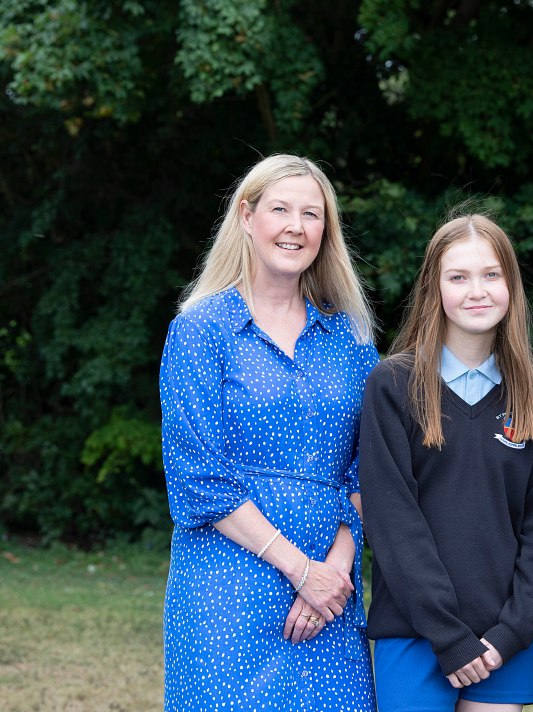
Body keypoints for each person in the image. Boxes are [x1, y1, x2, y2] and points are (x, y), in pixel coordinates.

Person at [159, 154, 379, 711]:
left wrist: (333, 569)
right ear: (246, 216)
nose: (295, 227)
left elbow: (370, 469)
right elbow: (197, 480)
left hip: (330, 595)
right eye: (280, 209)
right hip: (225, 588)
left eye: (312, 214)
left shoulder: (350, 340)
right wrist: (299, 569)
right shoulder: (200, 331)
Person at [359, 214, 533, 712]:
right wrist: (448, 635)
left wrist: (515, 630)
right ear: (435, 287)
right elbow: (392, 522)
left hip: (501, 640)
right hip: (413, 631)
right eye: (459, 277)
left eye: (491, 275)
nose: (478, 290)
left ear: (510, 285)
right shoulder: (392, 386)